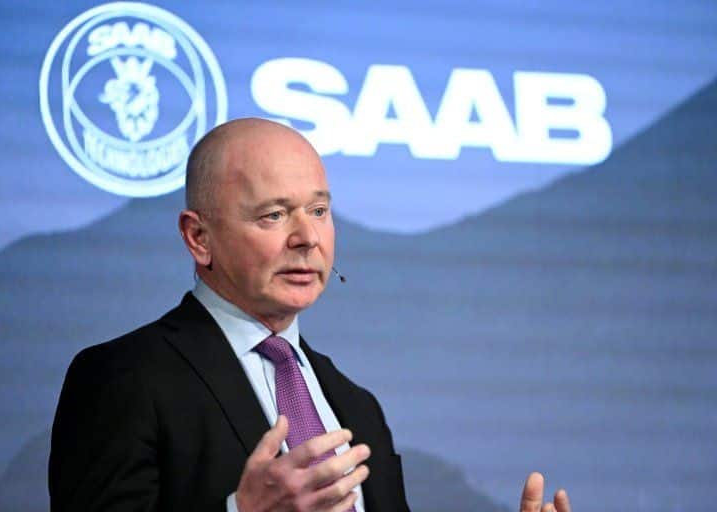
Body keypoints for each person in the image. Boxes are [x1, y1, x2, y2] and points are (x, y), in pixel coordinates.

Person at [49, 118, 572, 512]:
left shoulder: (356, 406)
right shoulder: (123, 378)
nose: (307, 238)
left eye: (319, 211)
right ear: (199, 237)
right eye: (274, 214)